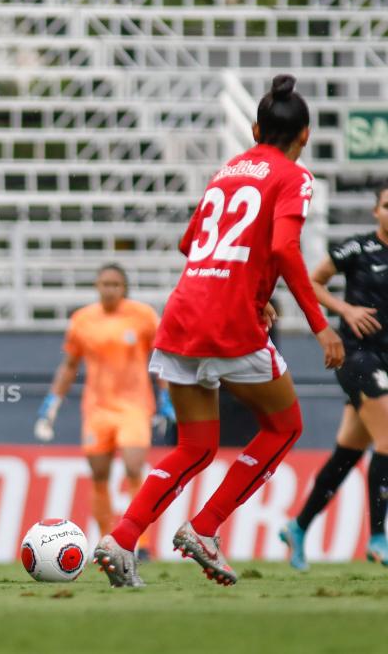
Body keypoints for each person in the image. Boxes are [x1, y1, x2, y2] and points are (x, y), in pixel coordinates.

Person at [92, 74, 344, 588]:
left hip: (183, 313)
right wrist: (322, 327)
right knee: (284, 427)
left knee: (195, 445)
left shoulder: (227, 170)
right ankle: (204, 528)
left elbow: (191, 243)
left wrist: (253, 293)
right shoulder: (294, 177)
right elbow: (282, 249)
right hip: (229, 323)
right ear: (306, 135)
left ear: (254, 128)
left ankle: (121, 540)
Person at [280, 182, 388, 570]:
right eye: (387, 206)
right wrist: (346, 309)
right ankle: (378, 537)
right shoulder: (357, 248)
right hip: (356, 356)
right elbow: (312, 281)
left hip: (386, 362)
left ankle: (298, 526)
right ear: (376, 211)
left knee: (348, 453)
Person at [34, 264, 174, 560]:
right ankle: (106, 540)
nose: (109, 289)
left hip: (135, 405)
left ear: (124, 288)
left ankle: (142, 542)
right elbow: (70, 365)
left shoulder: (143, 316)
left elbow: (160, 356)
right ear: (97, 286)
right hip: (97, 408)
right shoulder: (82, 320)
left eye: (115, 284)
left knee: (134, 467)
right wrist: (53, 402)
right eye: (104, 283)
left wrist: (166, 395)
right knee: (99, 474)